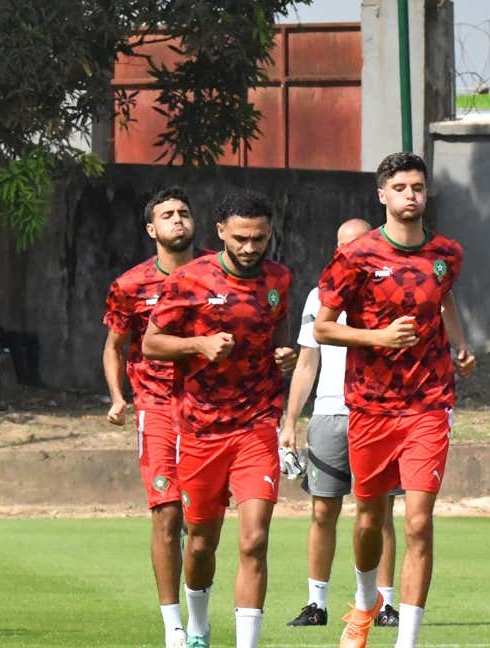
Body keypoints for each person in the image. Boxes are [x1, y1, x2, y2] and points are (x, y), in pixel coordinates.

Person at [313, 152, 474, 648]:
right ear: (382, 194)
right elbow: (322, 328)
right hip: (370, 407)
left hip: (429, 404)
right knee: (368, 521)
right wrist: (379, 338)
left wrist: (460, 344)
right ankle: (365, 603)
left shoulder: (447, 252)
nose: (411, 195)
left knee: (420, 521)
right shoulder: (356, 256)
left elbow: (445, 299)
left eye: (418, 187)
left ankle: (407, 641)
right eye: (401, 187)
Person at [143, 188, 295, 648]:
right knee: (201, 545)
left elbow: (278, 331)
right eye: (242, 239)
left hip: (256, 426)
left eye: (260, 239)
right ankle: (199, 624)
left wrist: (284, 355)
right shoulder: (189, 280)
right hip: (202, 429)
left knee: (253, 540)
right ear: (221, 232)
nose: (251, 248)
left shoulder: (279, 279)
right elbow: (152, 343)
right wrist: (198, 346)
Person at [280, 218, 401, 630]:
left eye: (356, 244)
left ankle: (384, 604)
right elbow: (307, 360)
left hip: (380, 413)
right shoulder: (320, 295)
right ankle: (317, 604)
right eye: (340, 246)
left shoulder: (393, 290)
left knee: (380, 513)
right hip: (330, 413)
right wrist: (290, 420)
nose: (347, 252)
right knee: (322, 511)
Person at [101, 187, 197, 648]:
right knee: (167, 514)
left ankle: (199, 615)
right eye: (167, 215)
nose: (177, 220)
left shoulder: (218, 274)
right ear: (151, 229)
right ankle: (173, 626)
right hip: (156, 408)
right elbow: (114, 347)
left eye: (183, 213)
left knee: (201, 522)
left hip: (210, 409)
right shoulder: (130, 284)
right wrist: (118, 396)